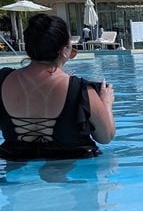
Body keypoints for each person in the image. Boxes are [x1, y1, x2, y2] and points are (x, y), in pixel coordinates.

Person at [0, 14, 115, 160]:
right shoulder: (80, 90)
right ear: (64, 50)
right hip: (74, 174)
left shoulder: (2, 81)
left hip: (16, 173)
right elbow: (106, 137)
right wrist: (106, 103)